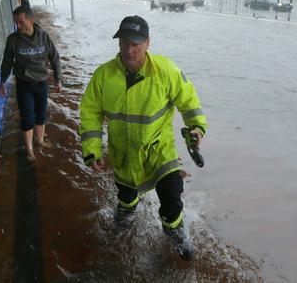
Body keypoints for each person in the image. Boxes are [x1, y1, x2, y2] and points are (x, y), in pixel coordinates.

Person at [79, 15, 207, 260]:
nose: (129, 49)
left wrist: (196, 128)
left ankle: (176, 235)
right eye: (124, 42)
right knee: (126, 199)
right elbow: (90, 112)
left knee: (171, 198)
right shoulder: (103, 76)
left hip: (160, 152)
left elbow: (189, 102)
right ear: (118, 43)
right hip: (124, 155)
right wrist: (92, 149)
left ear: (148, 43)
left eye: (136, 43)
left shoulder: (166, 71)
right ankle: (124, 217)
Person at [0, 6, 62, 161]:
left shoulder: (44, 37)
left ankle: (40, 141)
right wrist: (2, 81)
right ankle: (29, 150)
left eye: (21, 22)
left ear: (31, 21)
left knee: (41, 114)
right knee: (27, 117)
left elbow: (54, 57)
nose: (18, 26)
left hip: (41, 83)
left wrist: (58, 79)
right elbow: (7, 62)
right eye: (16, 23)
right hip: (24, 85)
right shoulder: (13, 40)